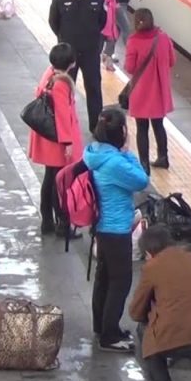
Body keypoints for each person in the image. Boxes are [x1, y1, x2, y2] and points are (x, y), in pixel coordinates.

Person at [83, 107, 149, 352]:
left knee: (104, 277)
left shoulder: (94, 152)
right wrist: (128, 153)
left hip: (102, 225)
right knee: (120, 281)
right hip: (116, 227)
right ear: (121, 131)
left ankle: (102, 325)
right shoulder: (114, 162)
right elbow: (142, 179)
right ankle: (109, 335)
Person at [129, 225, 191, 381]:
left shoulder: (152, 267)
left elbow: (135, 312)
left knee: (144, 330)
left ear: (149, 253)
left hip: (168, 340)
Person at [28, 43, 83, 238]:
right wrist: (68, 143)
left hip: (46, 136)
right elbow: (62, 114)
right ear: (71, 64)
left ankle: (48, 221)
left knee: (50, 179)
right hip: (58, 140)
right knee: (59, 183)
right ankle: (62, 223)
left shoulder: (48, 74)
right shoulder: (61, 83)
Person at [49, 0, 107, 133]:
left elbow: (102, 22)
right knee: (65, 90)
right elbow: (54, 22)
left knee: (94, 90)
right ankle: (65, 125)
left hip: (90, 52)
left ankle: (95, 127)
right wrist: (64, 39)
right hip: (68, 54)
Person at [124, 8, 174, 174]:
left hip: (141, 91)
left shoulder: (133, 41)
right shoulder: (163, 37)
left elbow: (130, 67)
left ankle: (144, 165)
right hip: (159, 90)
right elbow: (172, 61)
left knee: (142, 128)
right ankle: (163, 158)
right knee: (159, 125)